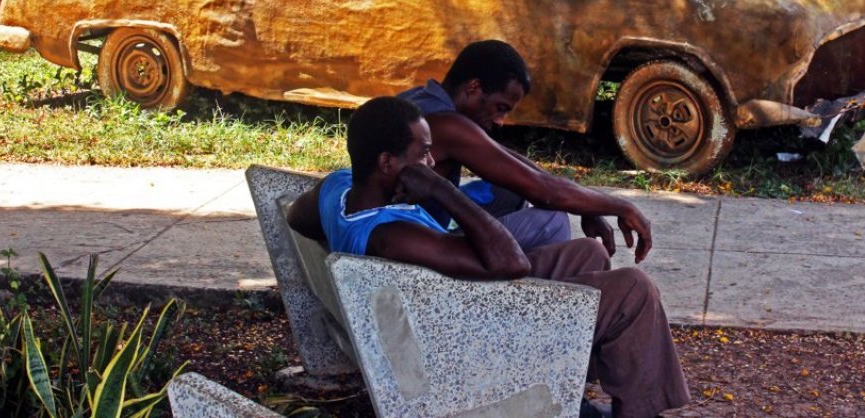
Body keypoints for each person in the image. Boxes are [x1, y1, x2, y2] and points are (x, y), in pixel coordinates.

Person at [288, 96, 690, 418]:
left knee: (589, 250)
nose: (431, 163)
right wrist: (443, 191)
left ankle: (565, 395)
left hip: (451, 300)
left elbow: (297, 216)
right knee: (633, 289)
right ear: (387, 163)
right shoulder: (392, 236)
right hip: (466, 332)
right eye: (423, 155)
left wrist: (339, 230)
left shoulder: (339, 189)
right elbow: (510, 263)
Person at [398, 40, 653, 258]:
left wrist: (587, 204)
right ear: (473, 88)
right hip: (414, 248)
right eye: (500, 108)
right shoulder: (446, 124)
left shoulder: (420, 99)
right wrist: (622, 207)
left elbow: (512, 162)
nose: (500, 121)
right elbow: (545, 192)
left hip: (409, 234)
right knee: (552, 222)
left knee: (507, 188)